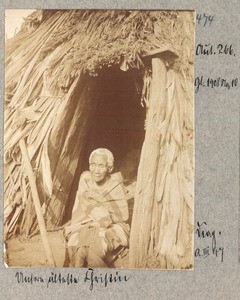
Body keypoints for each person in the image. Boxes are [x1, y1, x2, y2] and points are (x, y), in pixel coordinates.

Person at [64, 148, 130, 268]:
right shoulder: (85, 179)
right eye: (93, 165)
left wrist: (99, 216)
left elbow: (122, 216)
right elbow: (82, 206)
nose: (96, 170)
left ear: (109, 168)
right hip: (84, 223)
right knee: (76, 249)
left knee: (94, 250)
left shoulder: (114, 186)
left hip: (112, 226)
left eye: (101, 166)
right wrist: (100, 211)